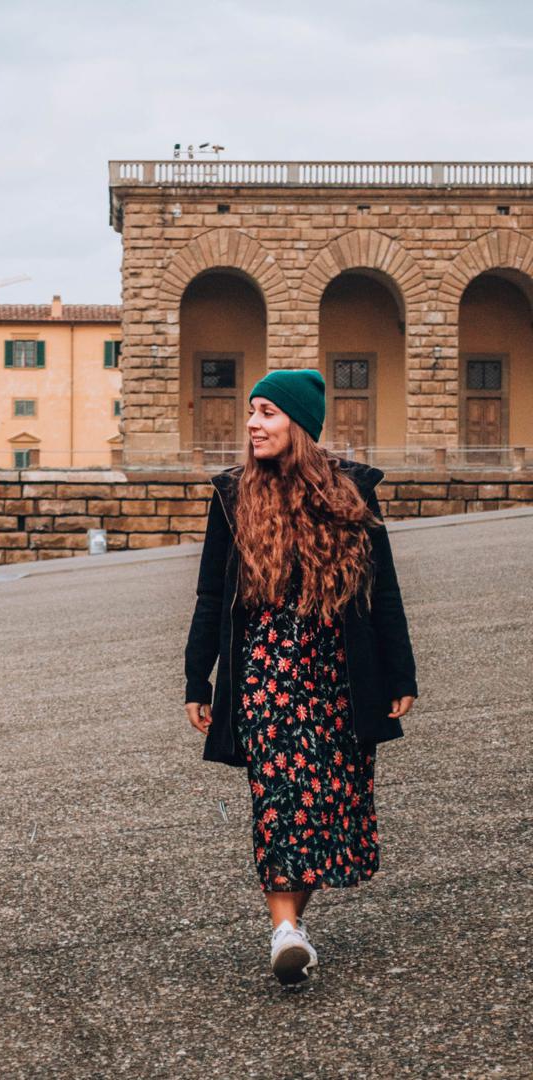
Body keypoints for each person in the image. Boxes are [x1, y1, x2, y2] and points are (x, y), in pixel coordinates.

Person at [184, 369, 418, 988]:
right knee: (281, 795)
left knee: (326, 801)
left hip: (339, 669)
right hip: (265, 668)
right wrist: (195, 678)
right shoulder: (233, 495)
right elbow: (212, 592)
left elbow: (382, 590)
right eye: (251, 412)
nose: (253, 424)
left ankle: (291, 929)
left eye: (267, 412)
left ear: (299, 425)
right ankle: (284, 928)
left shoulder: (351, 493)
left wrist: (402, 671)